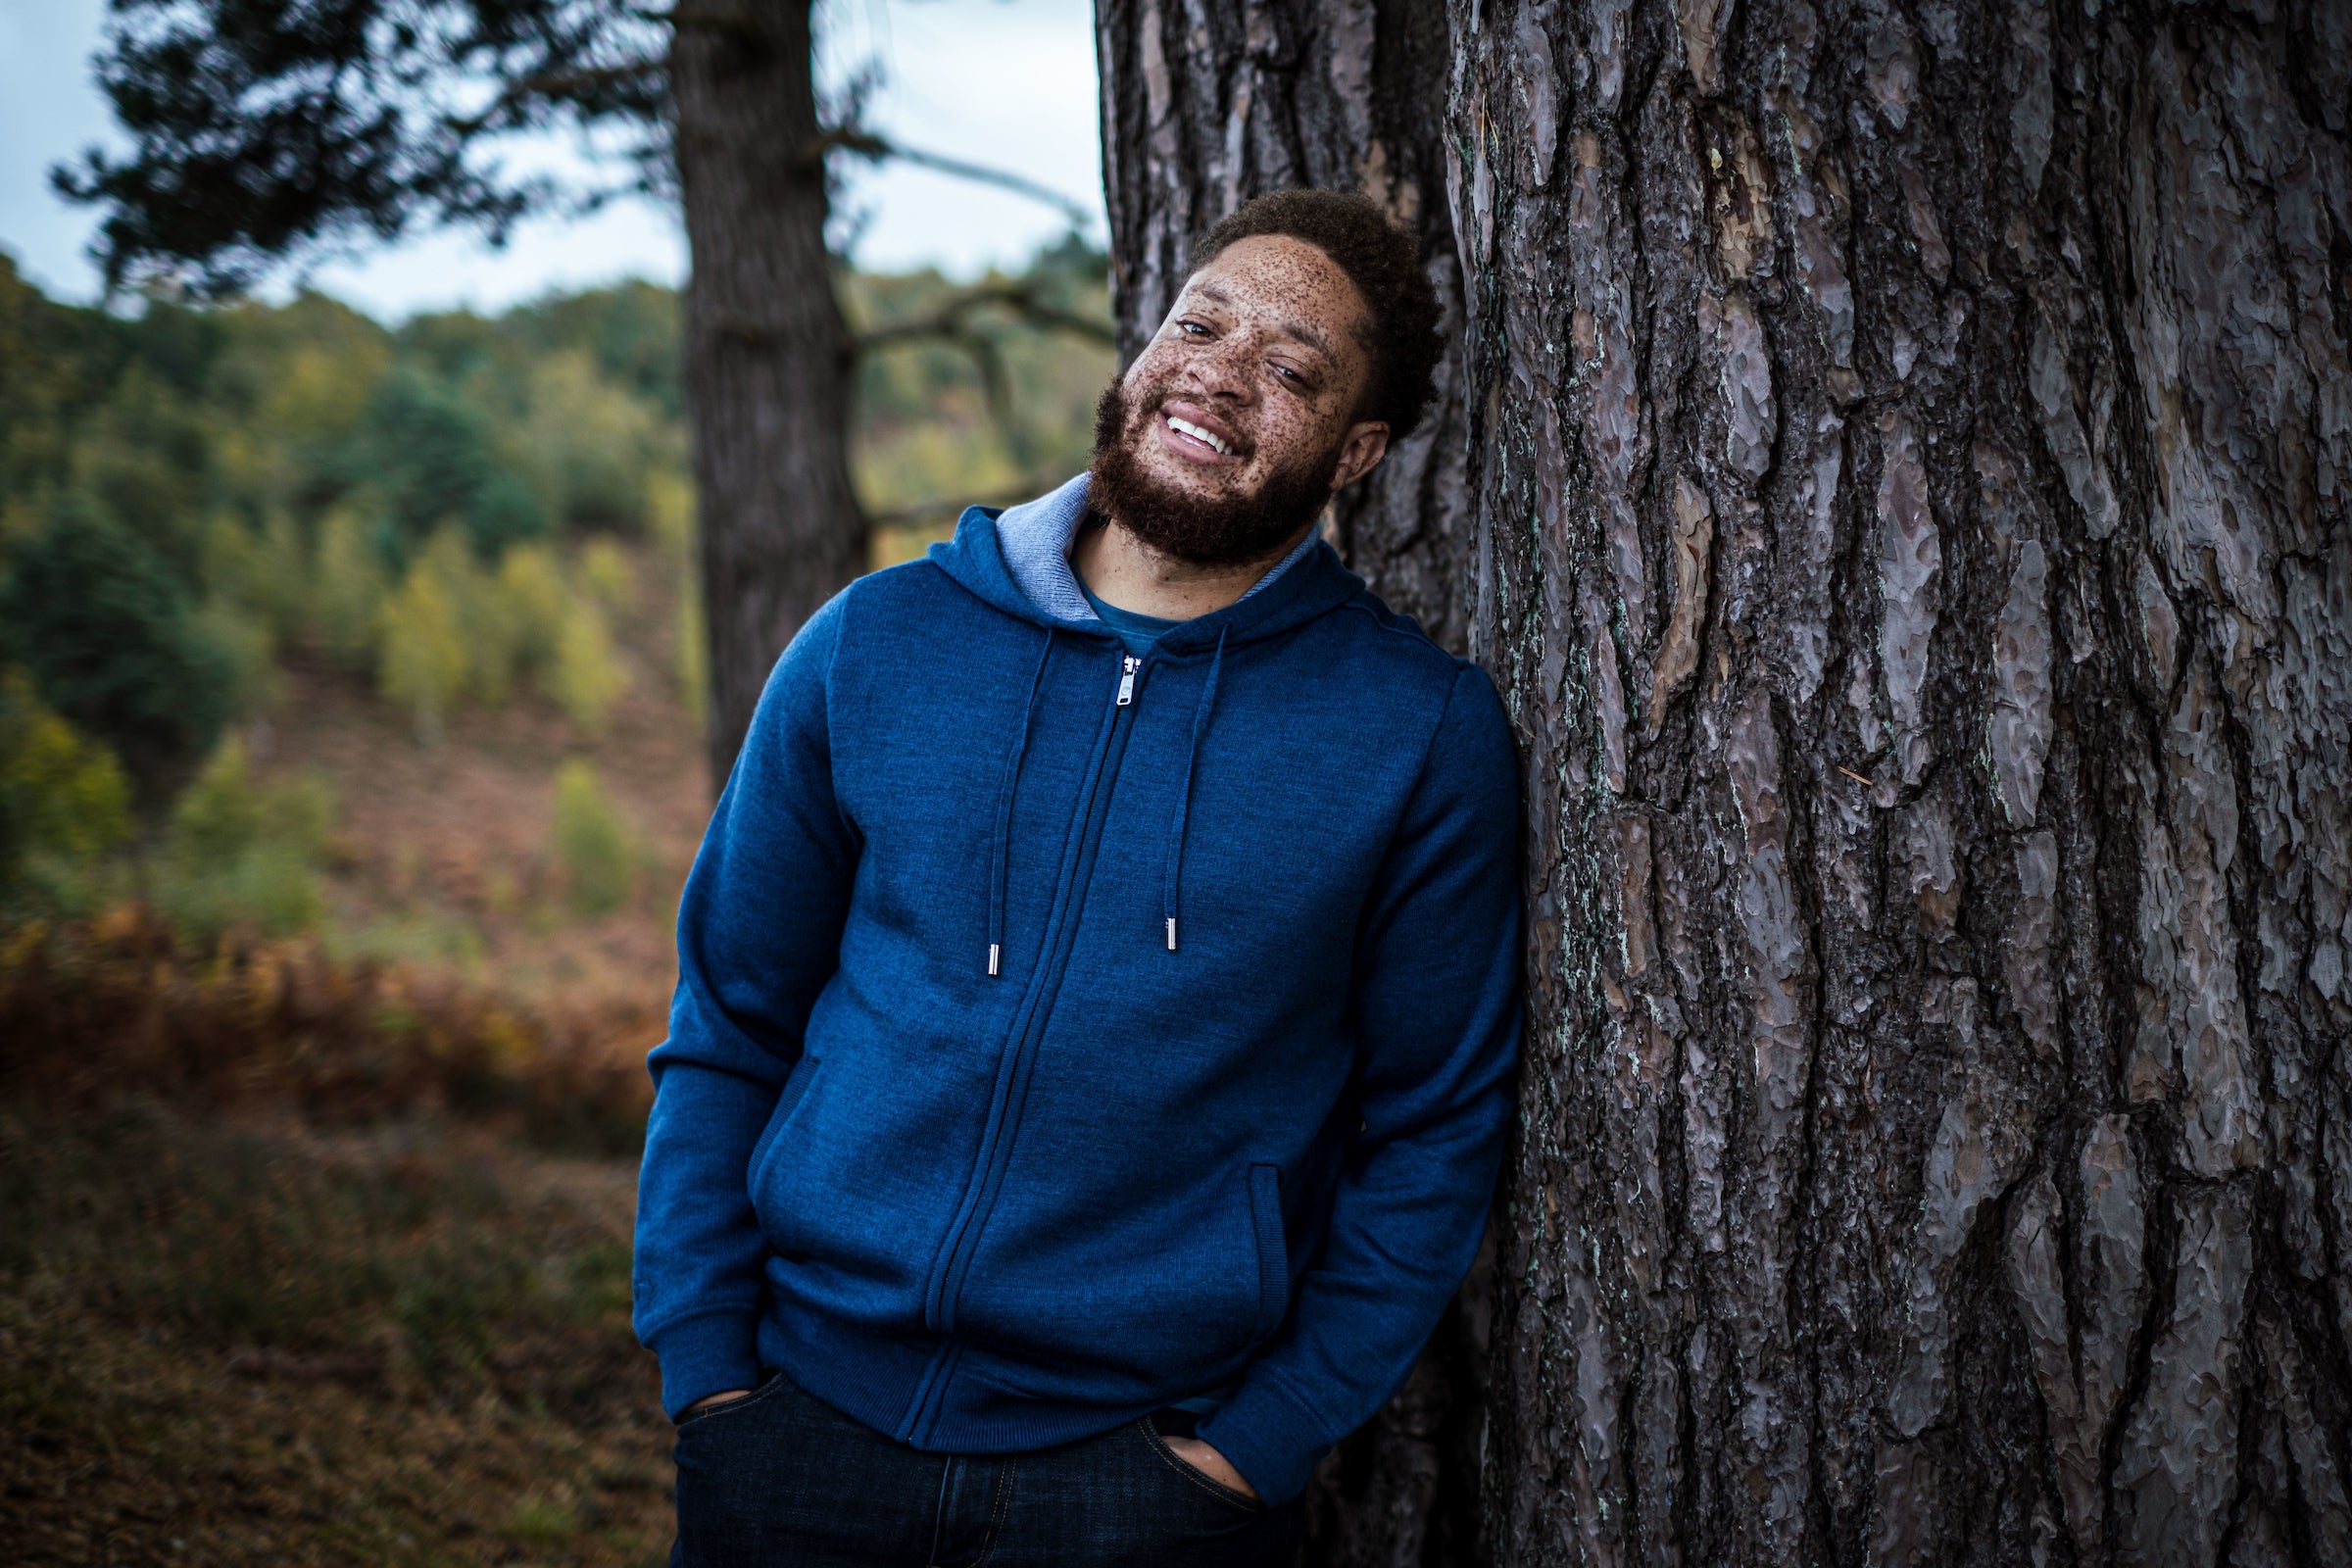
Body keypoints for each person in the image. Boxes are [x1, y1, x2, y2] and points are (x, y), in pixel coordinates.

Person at [633, 187, 1522, 1566]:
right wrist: (706, 1363)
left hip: (1141, 1484)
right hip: (794, 1426)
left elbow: (1437, 1126)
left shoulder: (1412, 733)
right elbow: (730, 1018)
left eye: (1290, 369)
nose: (1218, 375)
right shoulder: (880, 642)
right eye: (1198, 322)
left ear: (1357, 453)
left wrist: (1252, 1450)